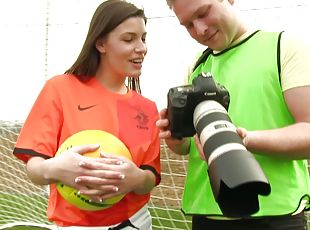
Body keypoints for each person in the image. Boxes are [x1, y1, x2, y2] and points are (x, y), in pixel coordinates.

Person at [156, 0, 310, 229]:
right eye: (187, 24)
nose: (200, 29)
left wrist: (244, 141)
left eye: (204, 13)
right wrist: (174, 138)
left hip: (275, 214)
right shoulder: (197, 66)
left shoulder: (283, 46)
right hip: (207, 215)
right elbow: (188, 147)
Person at [13, 0, 161, 229]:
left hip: (136, 222)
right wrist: (57, 169)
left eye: (143, 38)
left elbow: (150, 177)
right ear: (100, 43)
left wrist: (136, 178)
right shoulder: (60, 89)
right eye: (128, 39)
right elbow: (35, 168)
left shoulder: (147, 108)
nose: (141, 47)